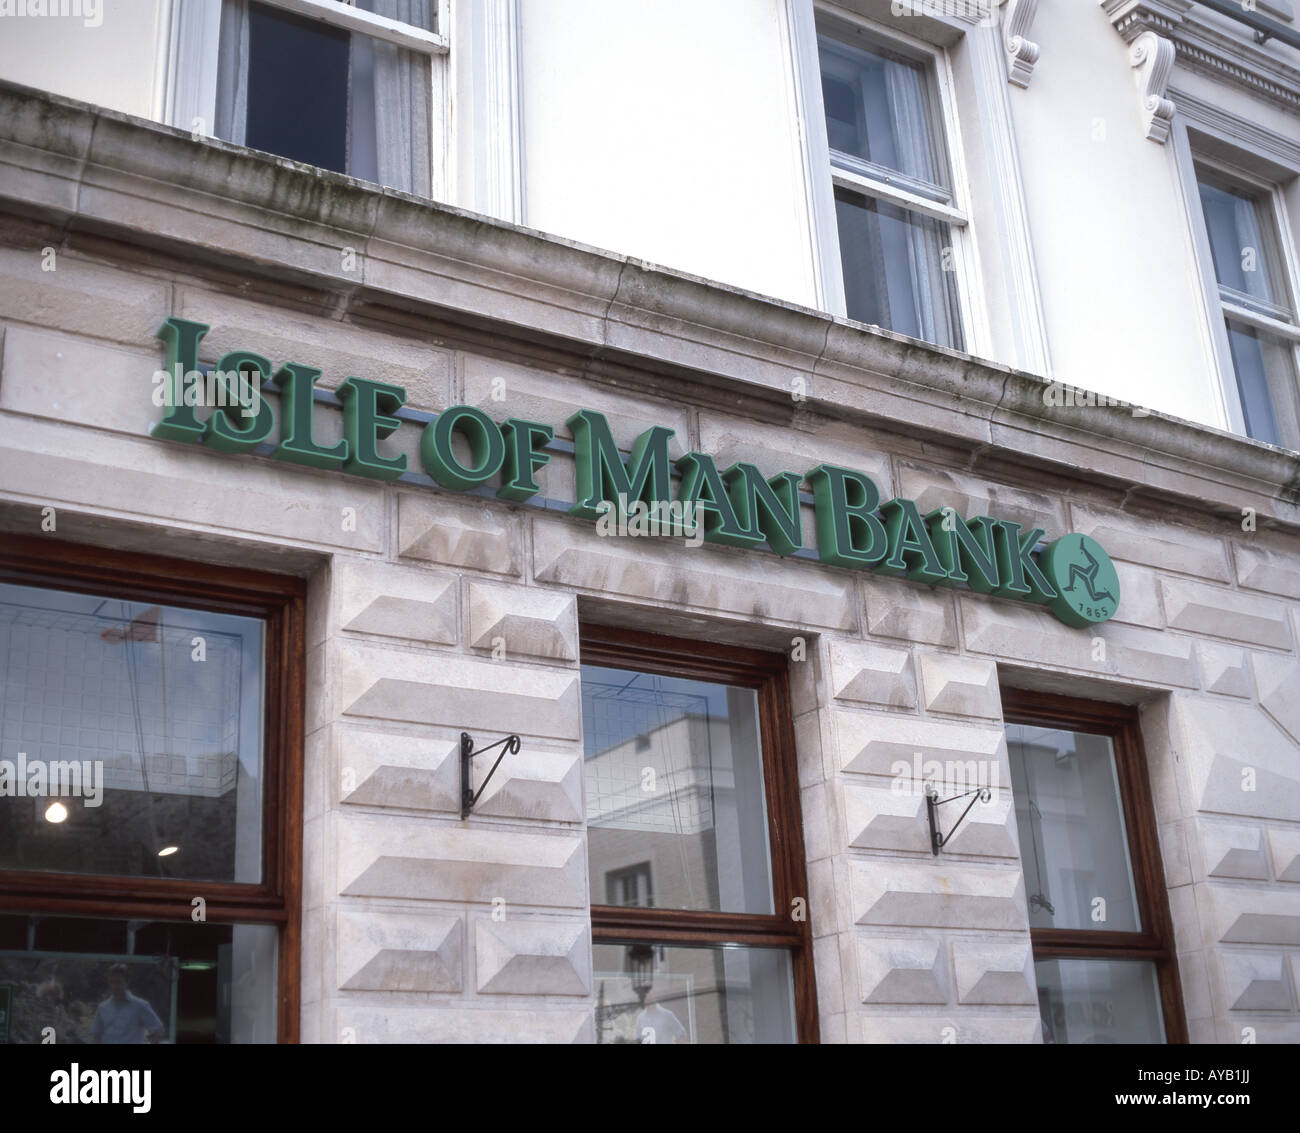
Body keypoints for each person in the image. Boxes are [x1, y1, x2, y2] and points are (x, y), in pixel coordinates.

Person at [91, 964, 165, 1044]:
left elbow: (158, 1030)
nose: (115, 986)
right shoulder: (102, 1007)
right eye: (112, 982)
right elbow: (96, 1035)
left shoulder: (140, 1005)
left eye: (118, 982)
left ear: (127, 982)